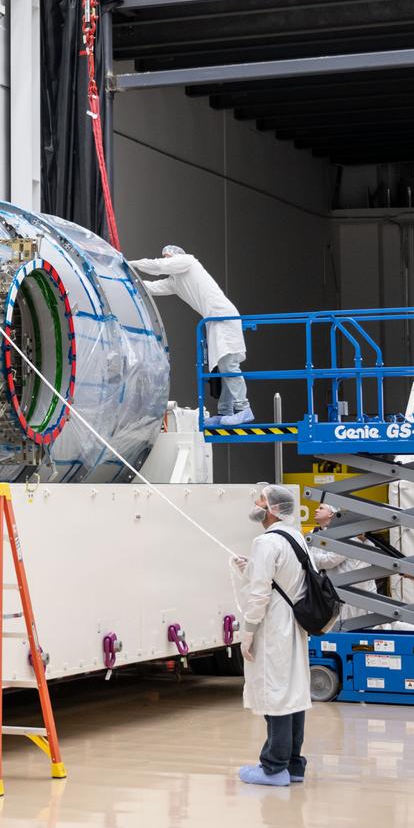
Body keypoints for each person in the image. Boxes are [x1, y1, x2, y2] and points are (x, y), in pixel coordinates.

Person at [231, 483, 320, 786]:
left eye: (260, 500)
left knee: (276, 695)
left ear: (272, 509)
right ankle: (294, 764)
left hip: (274, 628)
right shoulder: (295, 537)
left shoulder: (265, 542)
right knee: (293, 693)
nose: (255, 504)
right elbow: (283, 580)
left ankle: (273, 767)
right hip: (294, 624)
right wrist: (250, 568)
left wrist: (249, 630)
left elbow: (260, 595)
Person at [126, 245, 252, 424]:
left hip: (224, 315)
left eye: (168, 256)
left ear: (177, 256)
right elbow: (150, 288)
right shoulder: (176, 281)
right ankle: (226, 412)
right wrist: (126, 279)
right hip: (214, 320)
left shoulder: (188, 262)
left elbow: (158, 266)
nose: (166, 259)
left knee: (229, 366)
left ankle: (243, 408)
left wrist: (131, 264)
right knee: (222, 368)